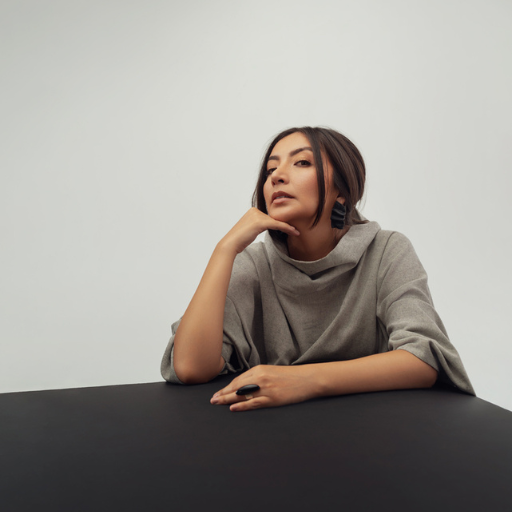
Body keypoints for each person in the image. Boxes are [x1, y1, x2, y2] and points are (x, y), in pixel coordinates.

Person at [161, 126, 475, 412]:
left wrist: (304, 381)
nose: (277, 176)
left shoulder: (386, 250)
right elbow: (190, 367)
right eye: (271, 169)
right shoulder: (254, 264)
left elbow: (423, 359)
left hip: (374, 429)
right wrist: (225, 249)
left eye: (302, 162)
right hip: (272, 436)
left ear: (342, 191)